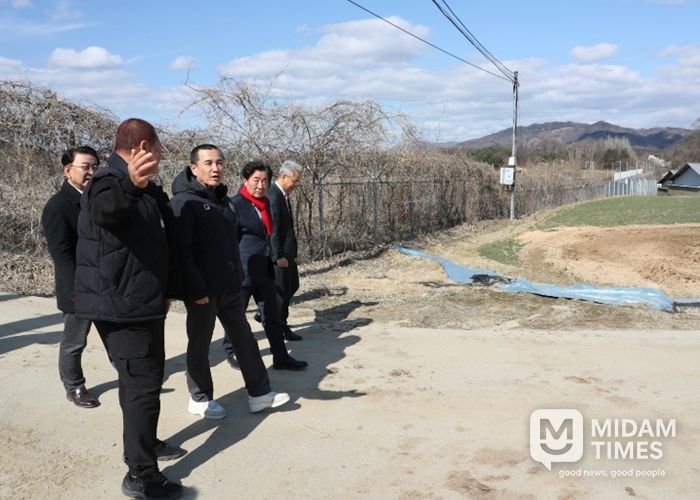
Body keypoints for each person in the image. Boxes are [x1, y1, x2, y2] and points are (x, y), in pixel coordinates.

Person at [74, 118, 183, 499]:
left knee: (140, 384)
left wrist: (167, 289)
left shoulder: (143, 187)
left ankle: (145, 443)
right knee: (142, 388)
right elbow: (105, 211)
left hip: (141, 301)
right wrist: (131, 185)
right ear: (142, 147)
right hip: (123, 306)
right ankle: (140, 474)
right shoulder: (109, 180)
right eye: (158, 148)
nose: (160, 155)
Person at [169, 144, 290, 420]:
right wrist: (195, 287)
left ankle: (260, 394)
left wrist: (236, 277)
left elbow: (231, 244)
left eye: (220, 162)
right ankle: (200, 399)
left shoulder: (223, 201)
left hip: (228, 287)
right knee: (199, 345)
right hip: (202, 291)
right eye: (209, 163)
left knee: (245, 340)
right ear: (194, 168)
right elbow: (180, 252)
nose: (216, 168)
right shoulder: (184, 202)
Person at [222, 161, 307, 371]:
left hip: (264, 270)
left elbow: (270, 233)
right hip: (243, 273)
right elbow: (228, 242)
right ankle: (232, 351)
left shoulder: (266, 203)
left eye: (264, 181)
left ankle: (281, 356)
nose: (260, 185)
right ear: (245, 181)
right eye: (256, 180)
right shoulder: (234, 205)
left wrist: (274, 257)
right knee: (236, 316)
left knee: (272, 316)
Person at [42, 146, 102, 408]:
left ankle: (130, 378)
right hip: (78, 286)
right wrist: (77, 288)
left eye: (95, 167)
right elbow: (62, 254)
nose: (91, 172)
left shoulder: (99, 199)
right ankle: (74, 386)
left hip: (106, 283)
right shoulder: (57, 206)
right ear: (68, 170)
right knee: (74, 342)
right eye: (85, 167)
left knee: (116, 336)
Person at [267, 160, 303, 341]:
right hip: (280, 255)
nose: (296, 185)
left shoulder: (283, 195)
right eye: (294, 181)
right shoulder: (273, 196)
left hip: (288, 253)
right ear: (283, 177)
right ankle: (280, 326)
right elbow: (272, 229)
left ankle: (268, 313)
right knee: (281, 293)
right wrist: (277, 256)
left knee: (293, 285)